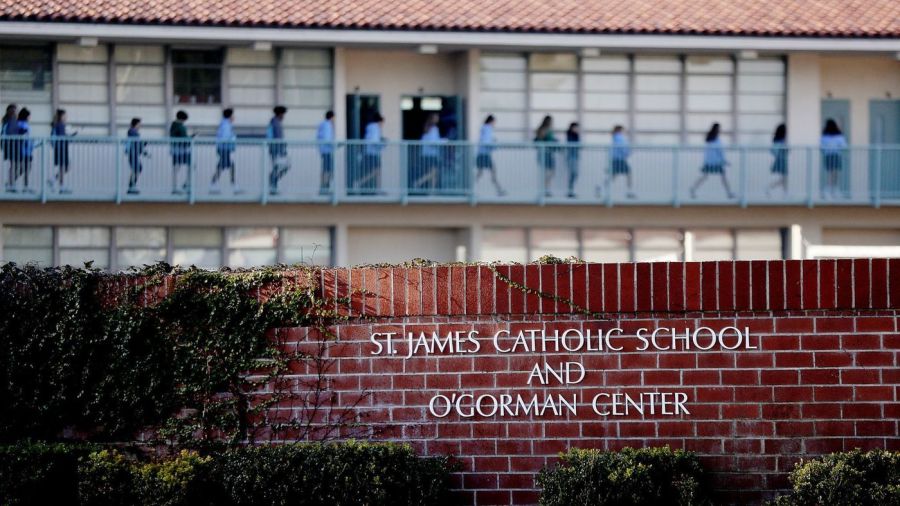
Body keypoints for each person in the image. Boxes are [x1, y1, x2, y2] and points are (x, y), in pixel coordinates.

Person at [689, 123, 734, 199]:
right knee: (722, 177)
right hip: (716, 162)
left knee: (705, 176)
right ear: (717, 129)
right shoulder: (716, 140)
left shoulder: (709, 139)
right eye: (719, 128)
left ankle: (693, 189)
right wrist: (724, 161)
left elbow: (711, 152)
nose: (720, 130)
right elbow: (720, 151)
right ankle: (729, 193)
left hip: (709, 162)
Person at [475, 115, 505, 196]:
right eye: (494, 122)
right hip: (484, 154)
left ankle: (471, 189)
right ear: (491, 121)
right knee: (491, 172)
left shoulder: (484, 128)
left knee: (480, 173)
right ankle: (499, 190)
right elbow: (486, 142)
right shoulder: (487, 128)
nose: (494, 124)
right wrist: (494, 144)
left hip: (482, 154)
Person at [602, 125, 634, 199]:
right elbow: (622, 148)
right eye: (623, 130)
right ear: (620, 130)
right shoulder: (619, 138)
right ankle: (629, 192)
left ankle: (602, 189)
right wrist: (628, 152)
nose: (624, 132)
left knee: (612, 176)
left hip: (616, 159)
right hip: (619, 159)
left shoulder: (615, 137)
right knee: (628, 174)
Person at [211, 108, 238, 194]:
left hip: (223, 148)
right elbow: (225, 138)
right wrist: (233, 138)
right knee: (227, 166)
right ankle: (233, 185)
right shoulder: (226, 125)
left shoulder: (225, 124)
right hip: (224, 149)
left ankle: (213, 184)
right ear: (230, 116)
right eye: (233, 115)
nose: (234, 117)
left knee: (222, 166)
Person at [416, 113, 444, 193]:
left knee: (434, 173)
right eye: (436, 118)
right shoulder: (434, 129)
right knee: (433, 173)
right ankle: (419, 182)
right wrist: (444, 141)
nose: (437, 119)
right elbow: (434, 142)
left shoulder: (427, 128)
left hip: (426, 153)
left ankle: (432, 191)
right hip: (432, 154)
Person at [820, 118, 847, 200]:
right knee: (835, 173)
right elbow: (844, 146)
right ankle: (835, 190)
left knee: (829, 173)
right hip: (836, 155)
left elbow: (822, 147)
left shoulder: (824, 137)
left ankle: (828, 190)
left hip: (828, 155)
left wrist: (826, 150)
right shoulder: (839, 136)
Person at [357, 113, 384, 193]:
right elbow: (374, 142)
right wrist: (382, 144)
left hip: (369, 153)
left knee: (376, 172)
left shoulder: (370, 127)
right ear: (379, 122)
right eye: (382, 123)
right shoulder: (375, 128)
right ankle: (359, 183)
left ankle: (377, 189)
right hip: (372, 153)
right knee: (376, 171)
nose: (382, 125)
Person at [50, 109, 75, 193]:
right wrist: (70, 137)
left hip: (60, 148)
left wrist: (69, 136)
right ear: (61, 116)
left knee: (65, 167)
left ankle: (54, 180)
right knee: (64, 167)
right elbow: (62, 137)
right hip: (61, 148)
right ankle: (60, 186)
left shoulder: (57, 125)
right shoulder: (60, 125)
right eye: (65, 115)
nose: (66, 117)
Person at [267, 105, 289, 195]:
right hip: (276, 149)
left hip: (279, 149)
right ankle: (273, 183)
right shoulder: (274, 123)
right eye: (283, 114)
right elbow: (275, 138)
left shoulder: (276, 122)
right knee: (282, 166)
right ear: (280, 114)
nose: (284, 116)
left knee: (283, 166)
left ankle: (273, 182)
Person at [534, 115, 557, 197]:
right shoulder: (544, 130)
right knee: (547, 172)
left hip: (548, 153)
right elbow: (540, 139)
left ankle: (546, 189)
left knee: (550, 172)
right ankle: (545, 190)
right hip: (545, 153)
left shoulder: (548, 130)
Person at [169, 110, 191, 194]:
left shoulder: (173, 125)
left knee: (176, 168)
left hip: (175, 149)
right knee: (191, 166)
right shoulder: (181, 127)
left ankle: (176, 187)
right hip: (182, 150)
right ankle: (186, 184)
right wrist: (191, 138)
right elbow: (184, 138)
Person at [12, 108, 33, 193]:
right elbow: (23, 136)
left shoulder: (22, 124)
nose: (30, 117)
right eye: (29, 116)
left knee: (24, 168)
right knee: (25, 168)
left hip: (27, 150)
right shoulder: (21, 124)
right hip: (23, 150)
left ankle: (12, 182)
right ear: (26, 116)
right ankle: (24, 186)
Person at [125, 118, 148, 194]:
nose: (140, 126)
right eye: (139, 124)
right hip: (132, 153)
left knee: (137, 168)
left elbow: (138, 143)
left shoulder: (133, 132)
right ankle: (131, 186)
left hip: (134, 153)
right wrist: (143, 144)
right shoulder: (132, 131)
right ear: (136, 124)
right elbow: (136, 142)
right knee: (137, 168)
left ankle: (132, 186)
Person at [766, 124, 788, 198]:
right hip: (781, 160)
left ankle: (785, 193)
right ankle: (769, 188)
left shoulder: (777, 140)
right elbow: (774, 150)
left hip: (782, 160)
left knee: (784, 178)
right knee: (783, 178)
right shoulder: (780, 141)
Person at [316, 110, 335, 194]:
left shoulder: (322, 124)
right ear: (332, 117)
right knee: (328, 170)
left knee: (326, 169)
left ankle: (324, 187)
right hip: (327, 150)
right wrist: (334, 145)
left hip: (324, 150)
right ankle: (325, 188)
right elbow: (327, 139)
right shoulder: (327, 125)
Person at [2, 104, 18, 192]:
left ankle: (11, 183)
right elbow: (9, 133)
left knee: (15, 165)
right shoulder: (9, 121)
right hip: (12, 146)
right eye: (15, 111)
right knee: (14, 165)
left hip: (12, 146)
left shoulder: (11, 121)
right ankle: (11, 184)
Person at [565, 122, 580, 198]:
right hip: (571, 157)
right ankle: (570, 191)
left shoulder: (576, 136)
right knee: (573, 173)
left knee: (575, 174)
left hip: (575, 156)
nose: (577, 129)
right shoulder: (570, 136)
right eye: (576, 127)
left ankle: (571, 190)